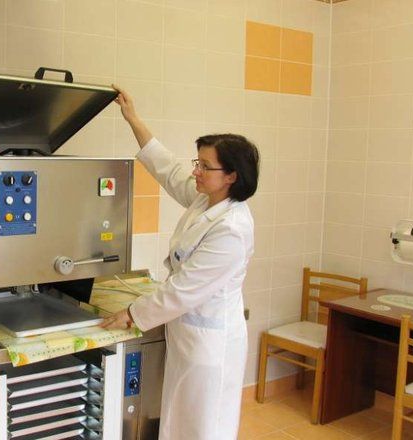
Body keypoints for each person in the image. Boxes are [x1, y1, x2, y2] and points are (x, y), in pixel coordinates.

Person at [101, 85, 259, 439]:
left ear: (231, 175)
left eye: (205, 166)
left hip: (210, 345)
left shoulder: (232, 228)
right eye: (197, 163)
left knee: (204, 427)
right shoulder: (207, 200)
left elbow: (184, 290)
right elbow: (168, 170)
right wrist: (132, 118)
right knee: (179, 421)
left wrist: (133, 313)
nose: (196, 171)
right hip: (187, 335)